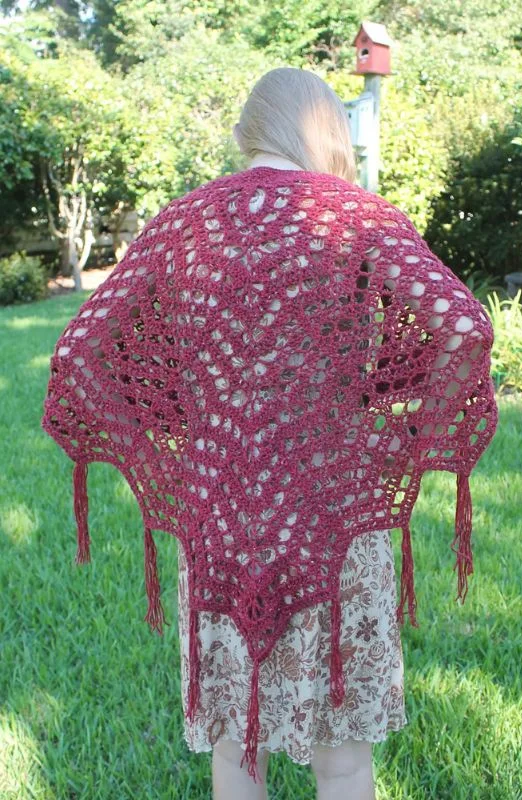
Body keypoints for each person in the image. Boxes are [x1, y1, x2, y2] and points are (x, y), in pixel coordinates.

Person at [41, 67, 498, 800]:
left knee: (237, 752)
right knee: (342, 760)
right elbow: (464, 328)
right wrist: (385, 431)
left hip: (221, 525)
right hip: (335, 520)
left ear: (245, 133)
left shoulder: (179, 227)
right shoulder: (359, 216)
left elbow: (81, 353)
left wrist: (181, 434)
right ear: (325, 135)